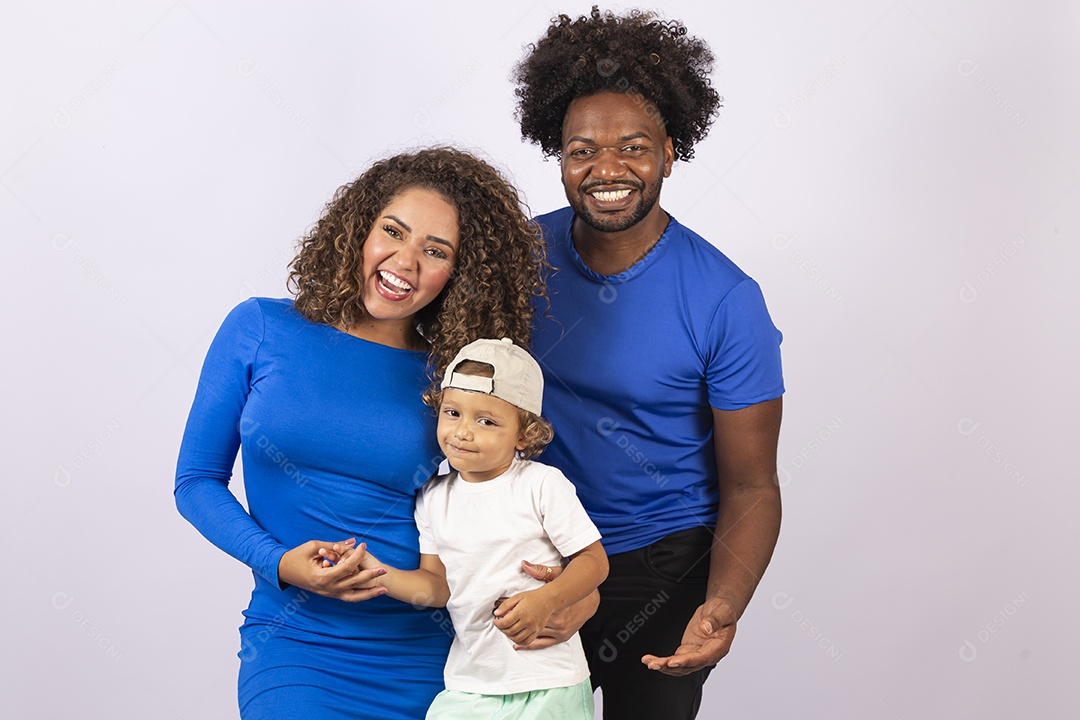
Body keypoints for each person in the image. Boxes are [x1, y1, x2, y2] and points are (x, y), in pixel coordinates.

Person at [173, 147, 555, 720]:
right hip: (294, 641)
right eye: (392, 232)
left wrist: (568, 583)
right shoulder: (259, 328)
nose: (405, 261)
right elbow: (196, 481)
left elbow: (510, 493)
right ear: (358, 228)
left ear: (462, 273)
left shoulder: (457, 377)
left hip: (431, 652)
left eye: (436, 251)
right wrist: (278, 562)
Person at [512, 8, 785, 719]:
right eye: (582, 151)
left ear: (669, 149)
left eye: (633, 147)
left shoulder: (725, 299)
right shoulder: (517, 260)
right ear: (559, 156)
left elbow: (752, 487)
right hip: (534, 548)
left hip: (663, 564)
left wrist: (722, 605)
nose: (608, 170)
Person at [324, 338, 608, 719]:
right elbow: (436, 587)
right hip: (470, 684)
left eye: (486, 421)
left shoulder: (542, 484)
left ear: (523, 435)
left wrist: (547, 600)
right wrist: (375, 572)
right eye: (452, 413)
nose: (462, 432)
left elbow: (594, 562)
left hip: (549, 680)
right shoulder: (432, 497)